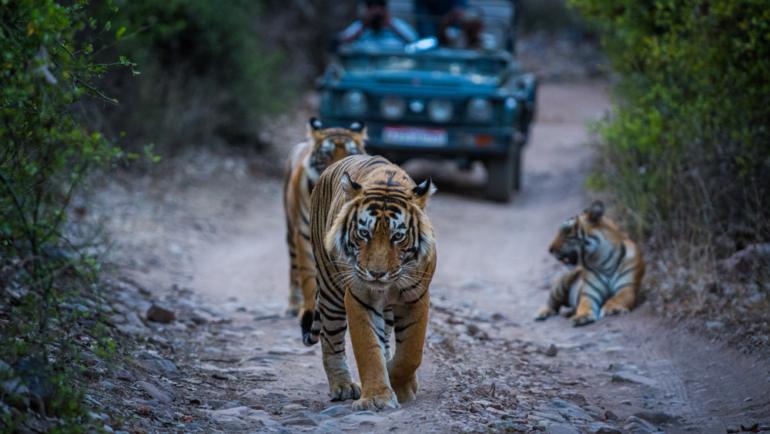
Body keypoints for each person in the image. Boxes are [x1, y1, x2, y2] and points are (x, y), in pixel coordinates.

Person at [338, 0, 418, 50]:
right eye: (371, 6)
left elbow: (415, 43)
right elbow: (341, 43)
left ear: (385, 8)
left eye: (380, 5)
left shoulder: (397, 25)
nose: (376, 11)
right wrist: (364, 26)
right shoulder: (359, 26)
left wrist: (390, 25)